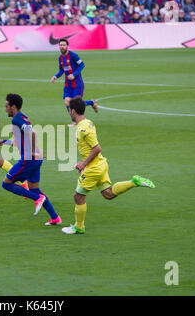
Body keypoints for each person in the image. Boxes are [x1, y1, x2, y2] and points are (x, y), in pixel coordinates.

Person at [61, 97, 155, 235]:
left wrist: (83, 164)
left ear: (73, 111)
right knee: (108, 194)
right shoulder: (88, 122)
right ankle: (134, 182)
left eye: (69, 110)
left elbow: (97, 148)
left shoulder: (83, 129)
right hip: (100, 165)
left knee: (78, 197)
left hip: (93, 168)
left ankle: (79, 227)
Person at [0, 93, 62, 225]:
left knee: (6, 184)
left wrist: (31, 152)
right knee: (34, 189)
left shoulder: (16, 120)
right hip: (36, 159)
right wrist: (3, 142)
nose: (5, 109)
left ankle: (38, 198)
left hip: (29, 159)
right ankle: (55, 217)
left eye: (7, 106)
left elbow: (32, 132)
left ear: (13, 107)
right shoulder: (22, 117)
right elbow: (19, 141)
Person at [50, 38, 99, 126]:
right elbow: (61, 70)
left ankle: (92, 102)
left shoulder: (73, 55)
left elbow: (82, 65)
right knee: (67, 101)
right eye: (60, 45)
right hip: (67, 85)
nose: (62, 47)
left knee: (76, 104)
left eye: (64, 45)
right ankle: (74, 121)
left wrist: (74, 74)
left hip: (77, 84)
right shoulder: (60, 58)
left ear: (67, 46)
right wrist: (55, 76)